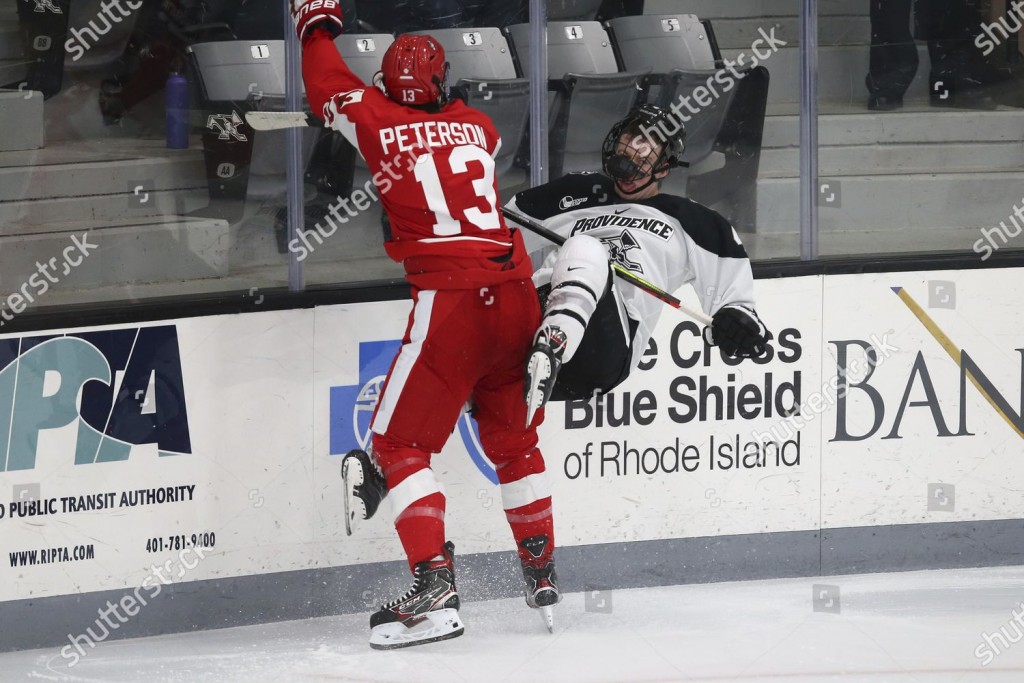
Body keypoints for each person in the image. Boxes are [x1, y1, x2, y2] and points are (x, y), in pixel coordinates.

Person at [290, 0, 560, 649]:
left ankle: (435, 588)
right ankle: (541, 570)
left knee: (397, 447)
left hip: (454, 301)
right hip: (517, 289)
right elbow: (456, 143)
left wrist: (316, 23)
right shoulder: (478, 127)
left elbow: (325, 83)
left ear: (385, 83)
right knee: (514, 440)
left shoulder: (374, 118)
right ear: (445, 86)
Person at [505, 104, 772, 424]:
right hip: (536, 315)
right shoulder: (578, 192)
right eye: (630, 135)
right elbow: (493, 236)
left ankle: (555, 342)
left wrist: (736, 327)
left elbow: (736, 306)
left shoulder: (695, 221)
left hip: (604, 347)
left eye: (647, 141)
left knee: (587, 249)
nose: (633, 145)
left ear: (664, 165)